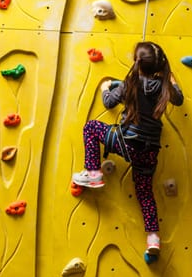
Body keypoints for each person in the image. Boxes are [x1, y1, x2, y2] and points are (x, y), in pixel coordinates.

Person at [72, 41, 184, 256]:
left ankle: (93, 173)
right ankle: (153, 237)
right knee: (144, 192)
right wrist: (172, 81)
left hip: (126, 142)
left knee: (91, 127)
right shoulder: (164, 86)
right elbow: (178, 100)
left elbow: (108, 103)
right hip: (149, 150)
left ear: (137, 62)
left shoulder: (129, 84)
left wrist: (106, 86)